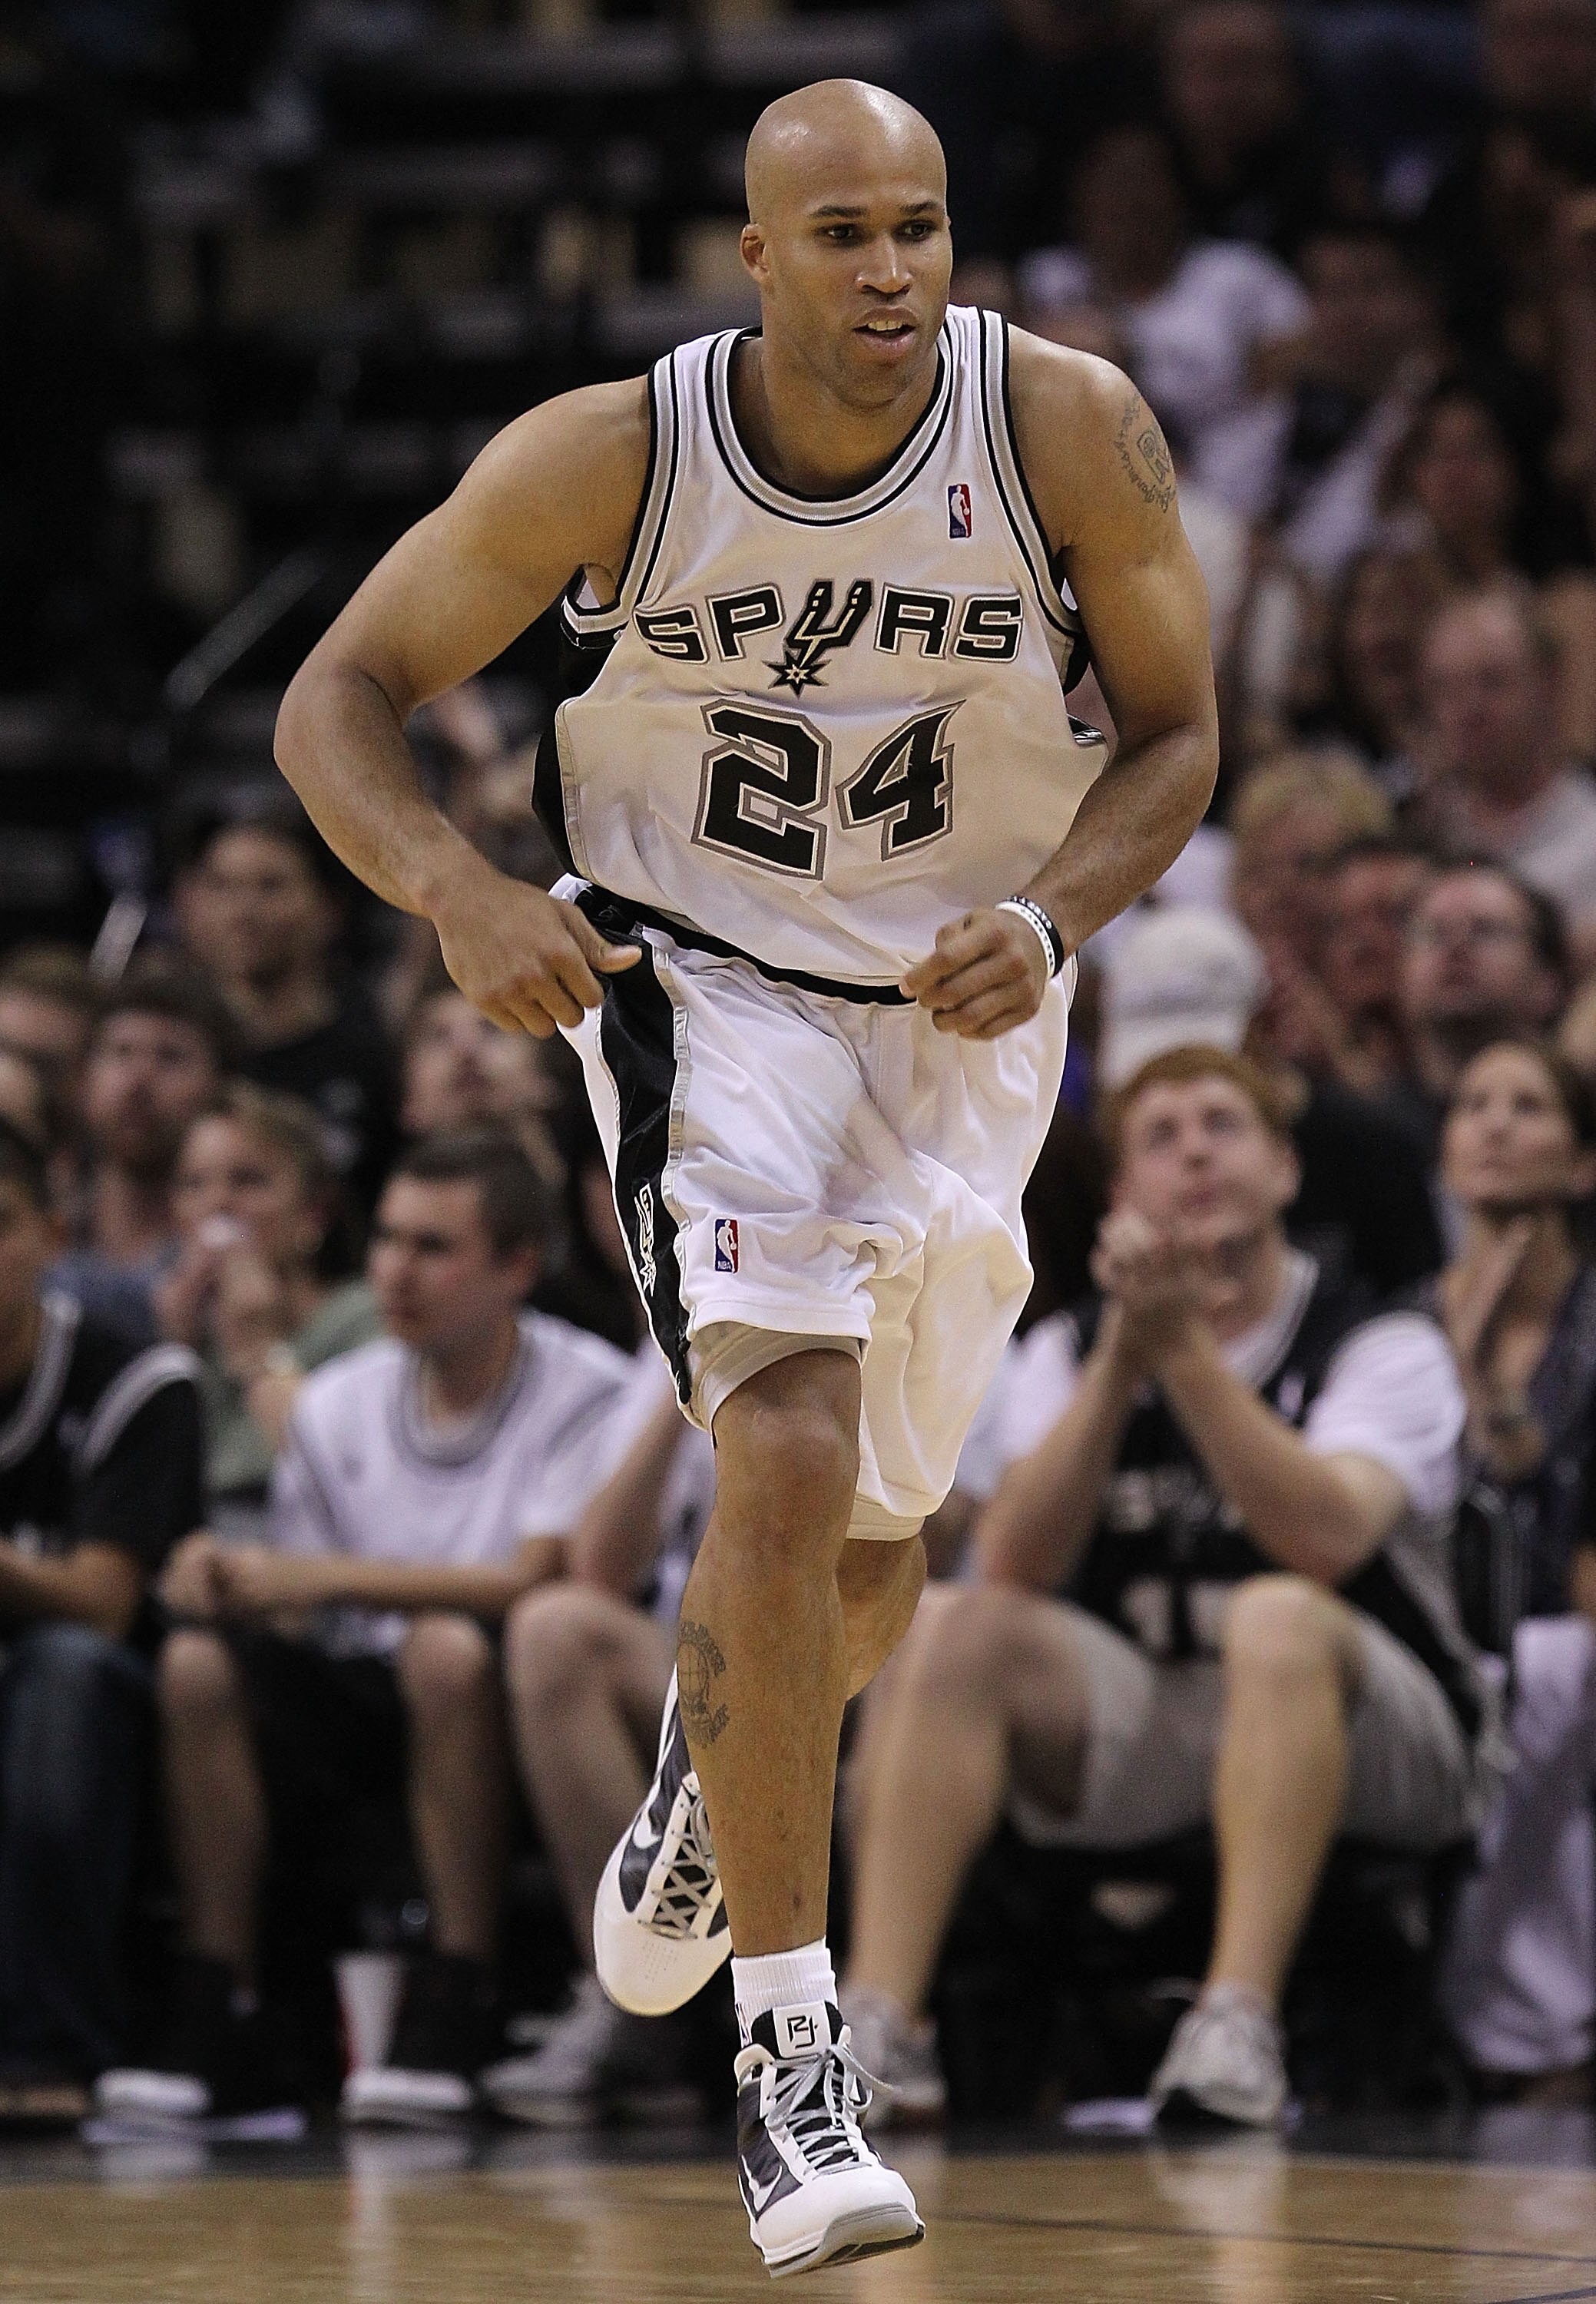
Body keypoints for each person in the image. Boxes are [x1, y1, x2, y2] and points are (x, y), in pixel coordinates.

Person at [273, 79, 1217, 2273]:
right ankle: (792, 2067)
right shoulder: (612, 453)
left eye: (922, 226)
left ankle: (720, 1780)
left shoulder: (1067, 429)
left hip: (966, 1011)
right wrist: (448, 887)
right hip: (697, 985)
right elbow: (342, 693)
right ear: (755, 256)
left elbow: (1175, 735)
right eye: (842, 235)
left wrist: (1062, 912)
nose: (890, 270)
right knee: (777, 1458)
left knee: (874, 1551)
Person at [839, 1046, 1484, 2130]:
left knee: (1279, 1616)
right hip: (1184, 1721)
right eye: (1159, 1136)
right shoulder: (1067, 1348)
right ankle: (877, 2028)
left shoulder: (1381, 1338)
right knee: (952, 1627)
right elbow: (1015, 1566)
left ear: (1283, 1170)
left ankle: (1238, 2022)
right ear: (1123, 1193)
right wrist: (1117, 1370)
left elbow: (1324, 1540)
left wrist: (1182, 1357)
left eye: (1221, 1125)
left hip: (1385, 1727)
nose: (1192, 1150)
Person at [94, 1129, 634, 2133]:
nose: (395, 1269)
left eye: (433, 1247)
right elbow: (305, 1606)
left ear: (516, 1267)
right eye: (386, 1239)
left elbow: (536, 1580)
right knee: (197, 1663)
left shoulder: (588, 1387)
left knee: (443, 1648)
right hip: (360, 1698)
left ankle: (456, 1992)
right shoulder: (340, 1399)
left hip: (519, 1713)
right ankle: (220, 1997)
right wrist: (226, 1580)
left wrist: (317, 1576)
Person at [0, 1117, 204, 2120]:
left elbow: (103, 1599)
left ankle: (46, 2049)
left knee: (62, 1672)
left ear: (49, 1233)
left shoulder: (137, 1377)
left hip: (114, 1693)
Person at [487, 1352, 718, 2127]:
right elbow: (599, 1567)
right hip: (710, 1662)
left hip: (858, 1663)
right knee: (555, 1630)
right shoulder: (684, 1334)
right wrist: (690, 1376)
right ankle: (637, 1995)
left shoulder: (899, 1308)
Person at [1427, 1041, 1596, 2099]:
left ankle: (1535, 2037)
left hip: (1556, 1624)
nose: (1491, 1124)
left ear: (1580, 1163)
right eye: (1472, 1104)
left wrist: (1486, 1386)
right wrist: (1454, 1354)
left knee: (1546, 1669)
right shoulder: (1398, 1315)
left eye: (1526, 1107)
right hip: (1432, 1638)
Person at [1018, 124, 1310, 520]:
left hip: (1223, 476)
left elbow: (1290, 381)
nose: (1129, 199)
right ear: (1079, 195)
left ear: (1179, 191)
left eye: (1144, 180)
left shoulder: (1240, 276)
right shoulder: (1046, 280)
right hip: (1082, 481)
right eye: (1112, 182)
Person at [156, 1085, 380, 1536]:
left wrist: (261, 1347)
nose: (217, 1204)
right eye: (193, 1184)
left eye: (248, 1180)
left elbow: (347, 1484)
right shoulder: (184, 1327)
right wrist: (173, 1352)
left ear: (315, 1212)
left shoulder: (367, 1316)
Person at [171, 799, 401, 1215]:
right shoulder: (171, 1046)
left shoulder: (370, 1047)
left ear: (329, 907)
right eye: (222, 886)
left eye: (270, 886)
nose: (242, 911)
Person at [51, 965, 233, 1346]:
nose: (138, 1083)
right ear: (84, 1079)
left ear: (220, 1086)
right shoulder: (34, 1224)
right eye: (120, 1053)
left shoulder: (230, 1257)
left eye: (171, 1057)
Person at [1415, 587, 1596, 959]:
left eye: (1492, 682)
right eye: (1447, 689)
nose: (1469, 710)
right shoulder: (1416, 831)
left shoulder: (1590, 828)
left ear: (1548, 684)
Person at [1389, 862, 1571, 1166]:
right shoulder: (1362, 1133)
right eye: (1434, 932)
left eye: (1485, 930)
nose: (1456, 947)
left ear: (1548, 981)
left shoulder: (1584, 1117)